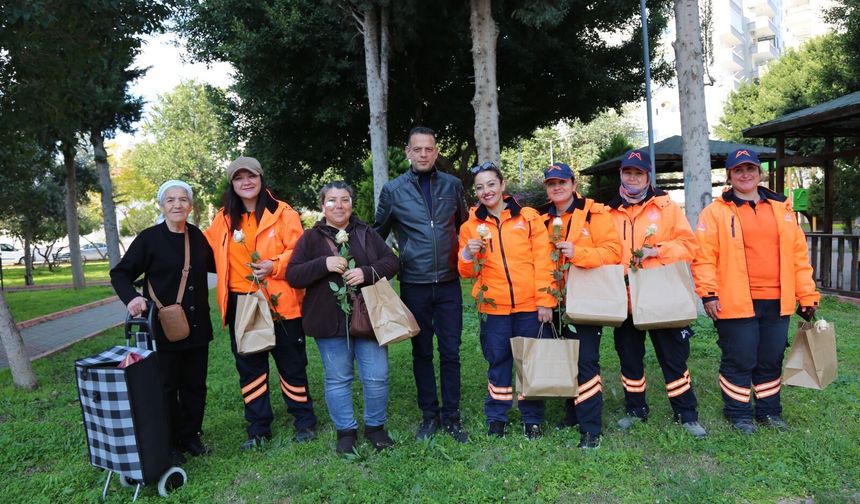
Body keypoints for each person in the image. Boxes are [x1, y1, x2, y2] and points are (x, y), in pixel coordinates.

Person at [692, 148, 819, 434]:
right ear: (729, 176)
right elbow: (703, 257)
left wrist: (807, 295)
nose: (745, 174)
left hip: (777, 299)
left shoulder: (782, 209)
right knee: (740, 358)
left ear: (760, 172)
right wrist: (708, 293)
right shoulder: (715, 213)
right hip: (735, 300)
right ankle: (738, 413)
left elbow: (799, 256)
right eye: (738, 170)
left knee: (770, 358)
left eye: (750, 168)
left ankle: (769, 412)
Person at [205, 156, 317, 450]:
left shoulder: (284, 214)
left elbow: (300, 251)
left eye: (251, 176)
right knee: (251, 367)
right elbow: (203, 249)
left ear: (260, 178)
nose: (246, 182)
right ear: (232, 184)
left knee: (292, 364)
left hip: (282, 302)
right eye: (239, 178)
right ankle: (258, 428)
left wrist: (274, 265)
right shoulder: (223, 219)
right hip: (243, 303)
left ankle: (304, 421)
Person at [287, 181, 400, 454]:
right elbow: (293, 275)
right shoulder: (310, 238)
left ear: (352, 203)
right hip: (328, 323)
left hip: (368, 317)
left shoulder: (365, 232)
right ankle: (345, 431)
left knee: (377, 376)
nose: (339, 206)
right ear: (321, 205)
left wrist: (366, 272)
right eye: (332, 200)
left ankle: (375, 427)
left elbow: (392, 262)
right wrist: (323, 264)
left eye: (345, 200)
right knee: (338, 379)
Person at [374, 126, 470, 442]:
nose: (424, 154)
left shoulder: (453, 186)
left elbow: (464, 226)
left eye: (429, 149)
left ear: (436, 151)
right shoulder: (393, 191)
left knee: (451, 351)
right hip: (414, 283)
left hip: (448, 283)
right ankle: (430, 416)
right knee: (422, 351)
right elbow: (377, 235)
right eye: (418, 149)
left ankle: (452, 416)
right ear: (408, 152)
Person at [110, 180, 215, 461]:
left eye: (183, 200)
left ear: (191, 206)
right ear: (161, 205)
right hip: (164, 329)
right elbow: (120, 274)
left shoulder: (197, 236)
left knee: (195, 385)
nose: (177, 205)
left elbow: (218, 265)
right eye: (171, 200)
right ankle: (168, 441)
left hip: (197, 327)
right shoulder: (149, 238)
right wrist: (132, 298)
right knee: (166, 387)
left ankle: (190, 436)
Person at [607, 150, 707, 439]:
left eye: (638, 173)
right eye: (628, 173)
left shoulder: (667, 207)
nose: (632, 178)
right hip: (625, 297)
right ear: (621, 175)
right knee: (629, 357)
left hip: (662, 294)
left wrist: (657, 251)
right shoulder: (608, 211)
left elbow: (689, 245)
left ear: (648, 176)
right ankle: (636, 410)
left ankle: (686, 414)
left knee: (673, 357)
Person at [458, 162, 556, 439]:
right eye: (479, 187)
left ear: (502, 185)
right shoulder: (471, 225)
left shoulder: (528, 218)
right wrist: (467, 253)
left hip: (529, 305)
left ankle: (532, 417)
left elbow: (543, 261)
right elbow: (465, 271)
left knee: (530, 362)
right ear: (475, 193)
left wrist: (545, 301)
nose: (486, 191)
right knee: (498, 360)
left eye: (491, 184)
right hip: (494, 307)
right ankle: (497, 416)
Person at [538, 162, 622, 449]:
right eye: (551, 184)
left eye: (562, 182)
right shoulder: (541, 220)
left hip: (586, 298)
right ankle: (572, 413)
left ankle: (590, 429)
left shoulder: (595, 214)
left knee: (585, 362)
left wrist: (578, 253)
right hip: (555, 302)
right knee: (565, 358)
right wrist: (545, 300)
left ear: (574, 185)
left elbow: (613, 252)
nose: (557, 187)